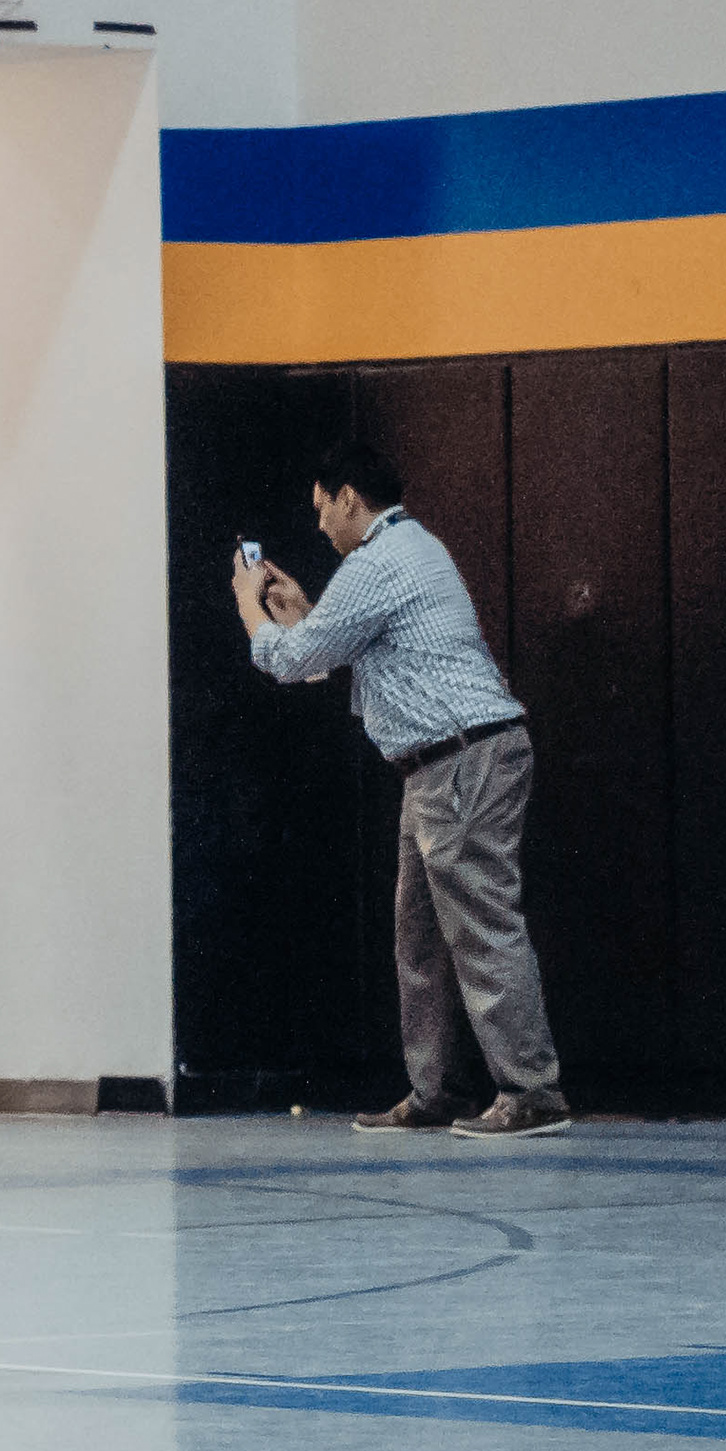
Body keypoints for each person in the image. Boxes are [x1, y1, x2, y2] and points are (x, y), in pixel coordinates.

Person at [234, 439, 571, 1139]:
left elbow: (294, 660)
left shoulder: (377, 561)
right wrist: (304, 612)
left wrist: (252, 610)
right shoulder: (410, 549)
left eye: (322, 508)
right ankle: (436, 1090)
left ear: (349, 497)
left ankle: (532, 1092)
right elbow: (336, 653)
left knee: (481, 927)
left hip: (459, 760)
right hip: (443, 764)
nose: (320, 524)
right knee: (420, 938)